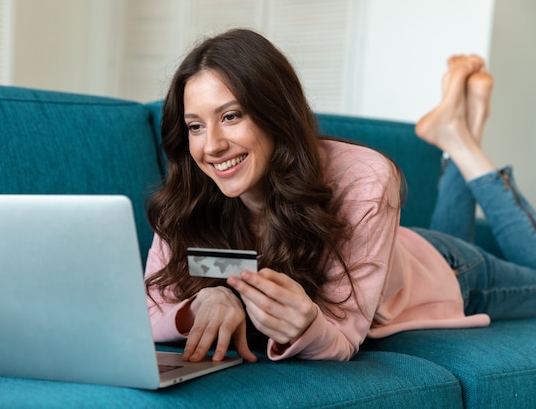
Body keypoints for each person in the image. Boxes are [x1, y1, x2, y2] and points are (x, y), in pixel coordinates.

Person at [144, 28, 536, 363]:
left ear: (275, 113)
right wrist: (202, 304)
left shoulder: (363, 175)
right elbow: (149, 309)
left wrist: (308, 324)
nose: (211, 146)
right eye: (195, 126)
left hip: (446, 270)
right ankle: (460, 129)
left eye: (231, 116)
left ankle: (464, 145)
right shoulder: (190, 194)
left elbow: (344, 338)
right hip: (389, 254)